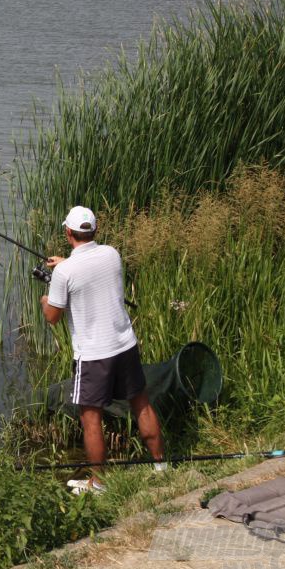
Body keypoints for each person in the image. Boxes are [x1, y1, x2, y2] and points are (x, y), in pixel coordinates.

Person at [39, 206, 165, 494]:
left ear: (67, 232)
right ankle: (161, 466)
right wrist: (64, 265)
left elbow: (52, 317)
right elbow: (87, 270)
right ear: (94, 230)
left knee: (90, 417)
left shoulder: (65, 273)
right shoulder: (111, 254)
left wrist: (46, 297)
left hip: (94, 356)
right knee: (141, 403)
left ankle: (98, 483)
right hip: (125, 345)